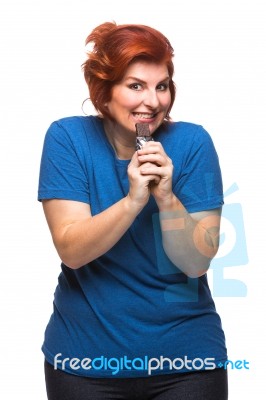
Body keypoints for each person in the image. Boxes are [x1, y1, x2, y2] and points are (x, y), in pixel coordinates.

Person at [38, 21, 228, 400]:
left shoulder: (193, 143)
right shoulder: (67, 139)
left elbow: (197, 263)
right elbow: (72, 250)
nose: (153, 101)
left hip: (187, 362)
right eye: (136, 85)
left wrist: (166, 197)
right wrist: (132, 201)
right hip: (85, 363)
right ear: (104, 93)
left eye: (162, 86)